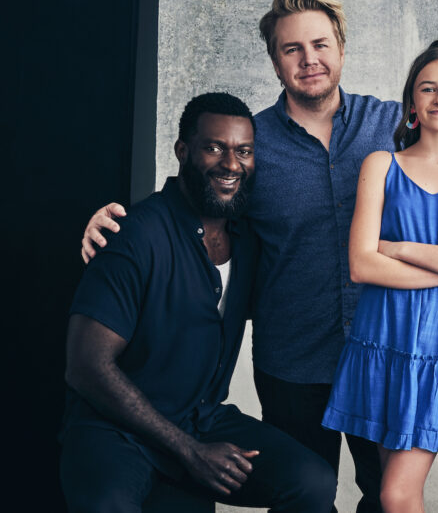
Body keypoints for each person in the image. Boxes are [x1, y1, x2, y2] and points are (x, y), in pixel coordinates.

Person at [78, 0, 438, 512]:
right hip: (295, 355)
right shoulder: (254, 143)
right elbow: (204, 183)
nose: (309, 59)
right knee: (307, 494)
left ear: (341, 50)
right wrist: (119, 219)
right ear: (275, 62)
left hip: (388, 344)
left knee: (383, 495)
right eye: (292, 48)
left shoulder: (384, 123)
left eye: (320, 45)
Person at [60, 93, 336, 512]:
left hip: (200, 420)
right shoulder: (134, 235)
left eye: (243, 151)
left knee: (312, 481)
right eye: (214, 148)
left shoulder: (249, 241)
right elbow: (85, 367)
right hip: (114, 431)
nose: (231, 164)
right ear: (183, 151)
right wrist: (188, 450)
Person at [320, 40, 438, 512]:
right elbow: (364, 265)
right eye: (428, 89)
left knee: (396, 493)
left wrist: (401, 249)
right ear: (412, 103)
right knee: (392, 491)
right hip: (383, 340)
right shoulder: (381, 165)